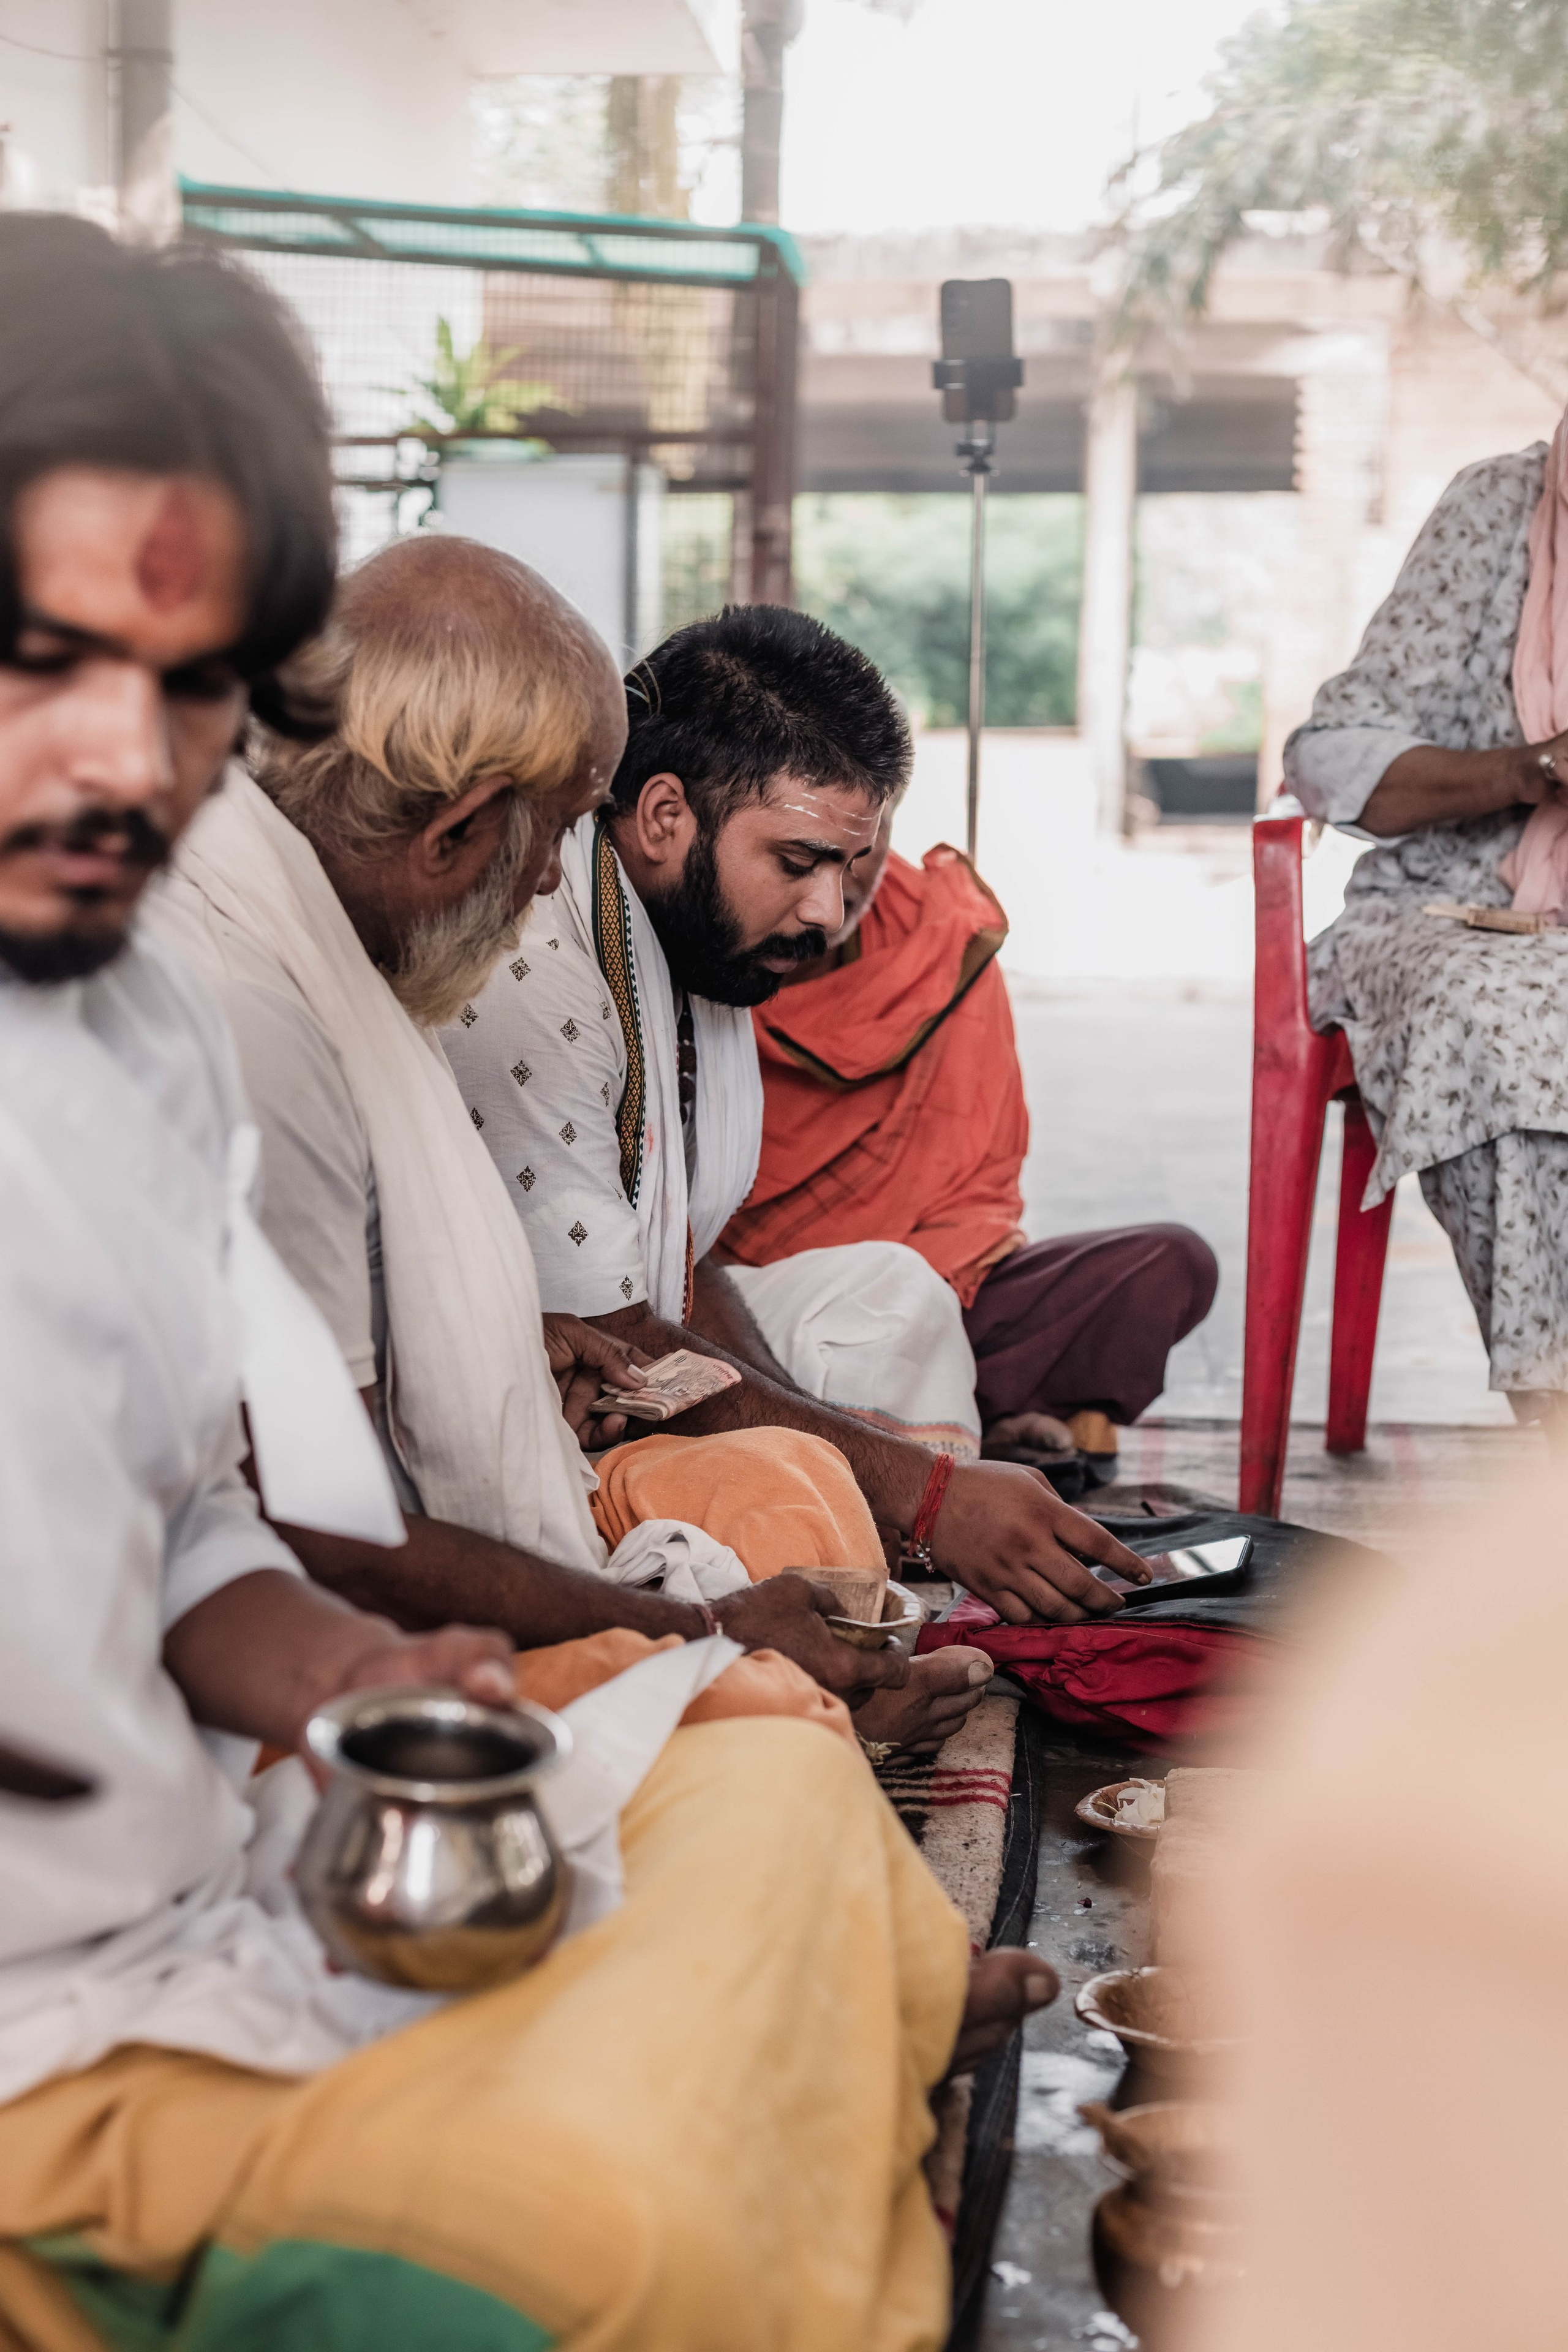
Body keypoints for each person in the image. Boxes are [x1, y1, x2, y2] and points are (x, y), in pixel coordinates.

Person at [0, 213, 1054, 2351]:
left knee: (752, 1798)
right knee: (608, 2218)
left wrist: (357, 1692)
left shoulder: (132, 1012)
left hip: (217, 1893)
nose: (130, 760)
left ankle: (814, 2025)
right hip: (46, 2030)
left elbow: (205, 1516)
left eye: (195, 681)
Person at [157, 535, 994, 1752]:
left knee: (798, 1520)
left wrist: (525, 1341)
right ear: (455, 835)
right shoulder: (257, 1019)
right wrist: (708, 1635)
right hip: (210, 1695)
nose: (553, 878)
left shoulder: (284, 917)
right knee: (772, 1772)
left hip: (294, 1593)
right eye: (552, 834)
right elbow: (328, 1530)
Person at [446, 603, 1152, 1629]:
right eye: (796, 862)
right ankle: (838, 1611)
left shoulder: (703, 944)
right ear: (662, 818)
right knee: (772, 1517)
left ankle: (878, 1562)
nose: (829, 913)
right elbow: (613, 1343)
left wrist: (850, 1454)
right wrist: (929, 1493)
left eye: (848, 867)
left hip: (629, 1357)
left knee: (893, 1294)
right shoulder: (538, 964)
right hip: (526, 1415)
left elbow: (679, 1267)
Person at [718, 803, 1219, 1491]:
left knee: (1168, 1263)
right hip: (741, 1309)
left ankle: (929, 1401)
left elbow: (977, 1187)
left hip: (934, 1289)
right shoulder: (697, 929)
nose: (833, 903)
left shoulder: (940, 938)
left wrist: (915, 1323)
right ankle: (963, 1415)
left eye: (863, 848)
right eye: (802, 862)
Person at [1286, 412, 1568, 1432]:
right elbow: (1327, 759)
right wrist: (1527, 770)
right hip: (1459, 911)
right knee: (1507, 1017)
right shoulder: (1502, 508)